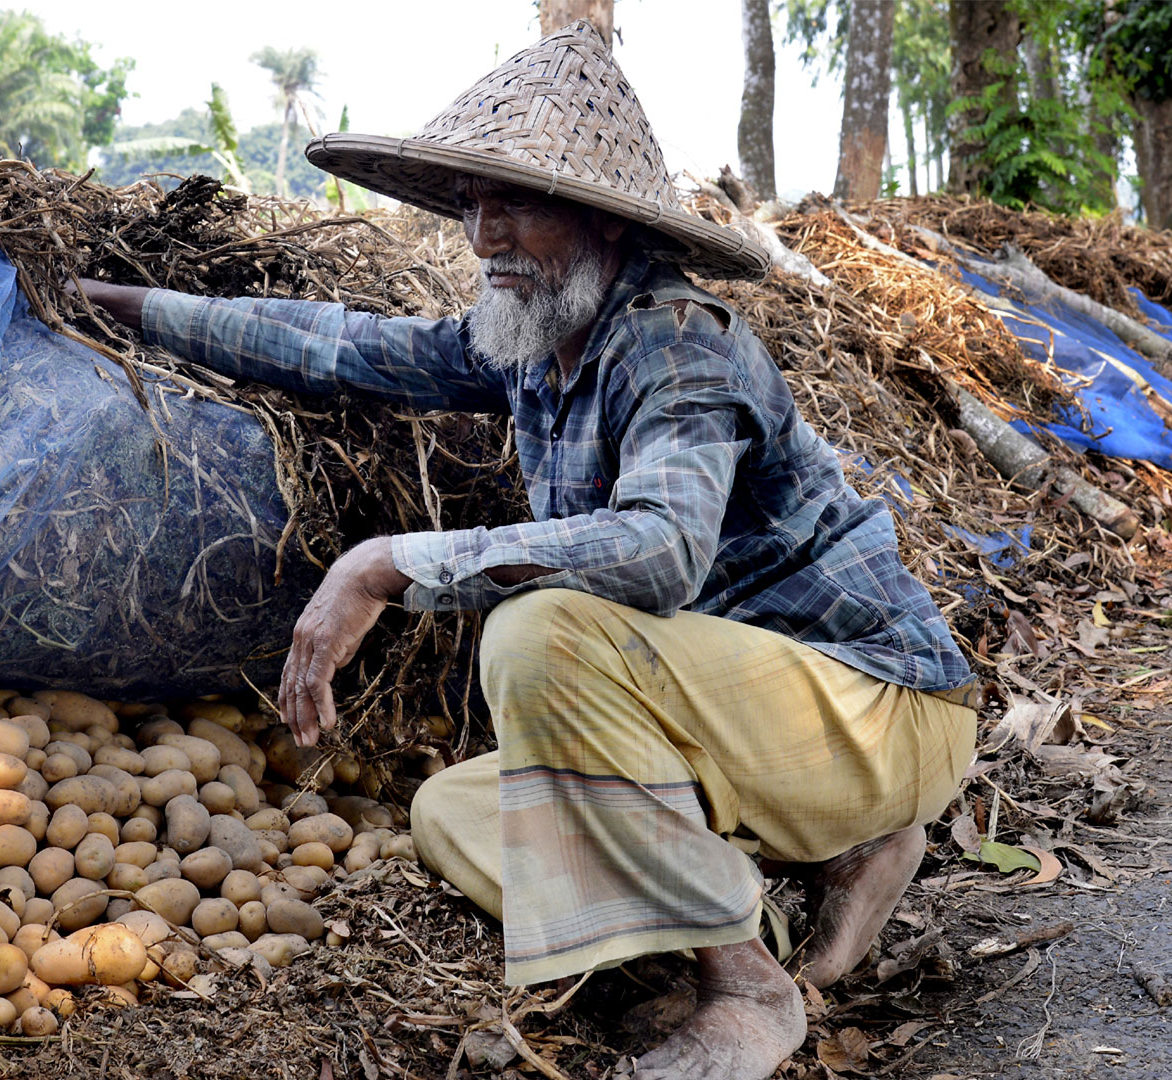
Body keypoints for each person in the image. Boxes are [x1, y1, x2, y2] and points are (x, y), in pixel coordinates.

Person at [76, 22, 977, 1080]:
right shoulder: (535, 338)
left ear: (603, 219)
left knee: (539, 634)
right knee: (453, 814)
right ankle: (794, 892)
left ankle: (747, 986)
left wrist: (386, 562)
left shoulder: (679, 344)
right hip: (733, 723)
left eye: (515, 204)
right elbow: (342, 346)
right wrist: (132, 308)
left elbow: (660, 550)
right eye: (471, 205)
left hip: (876, 706)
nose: (483, 236)